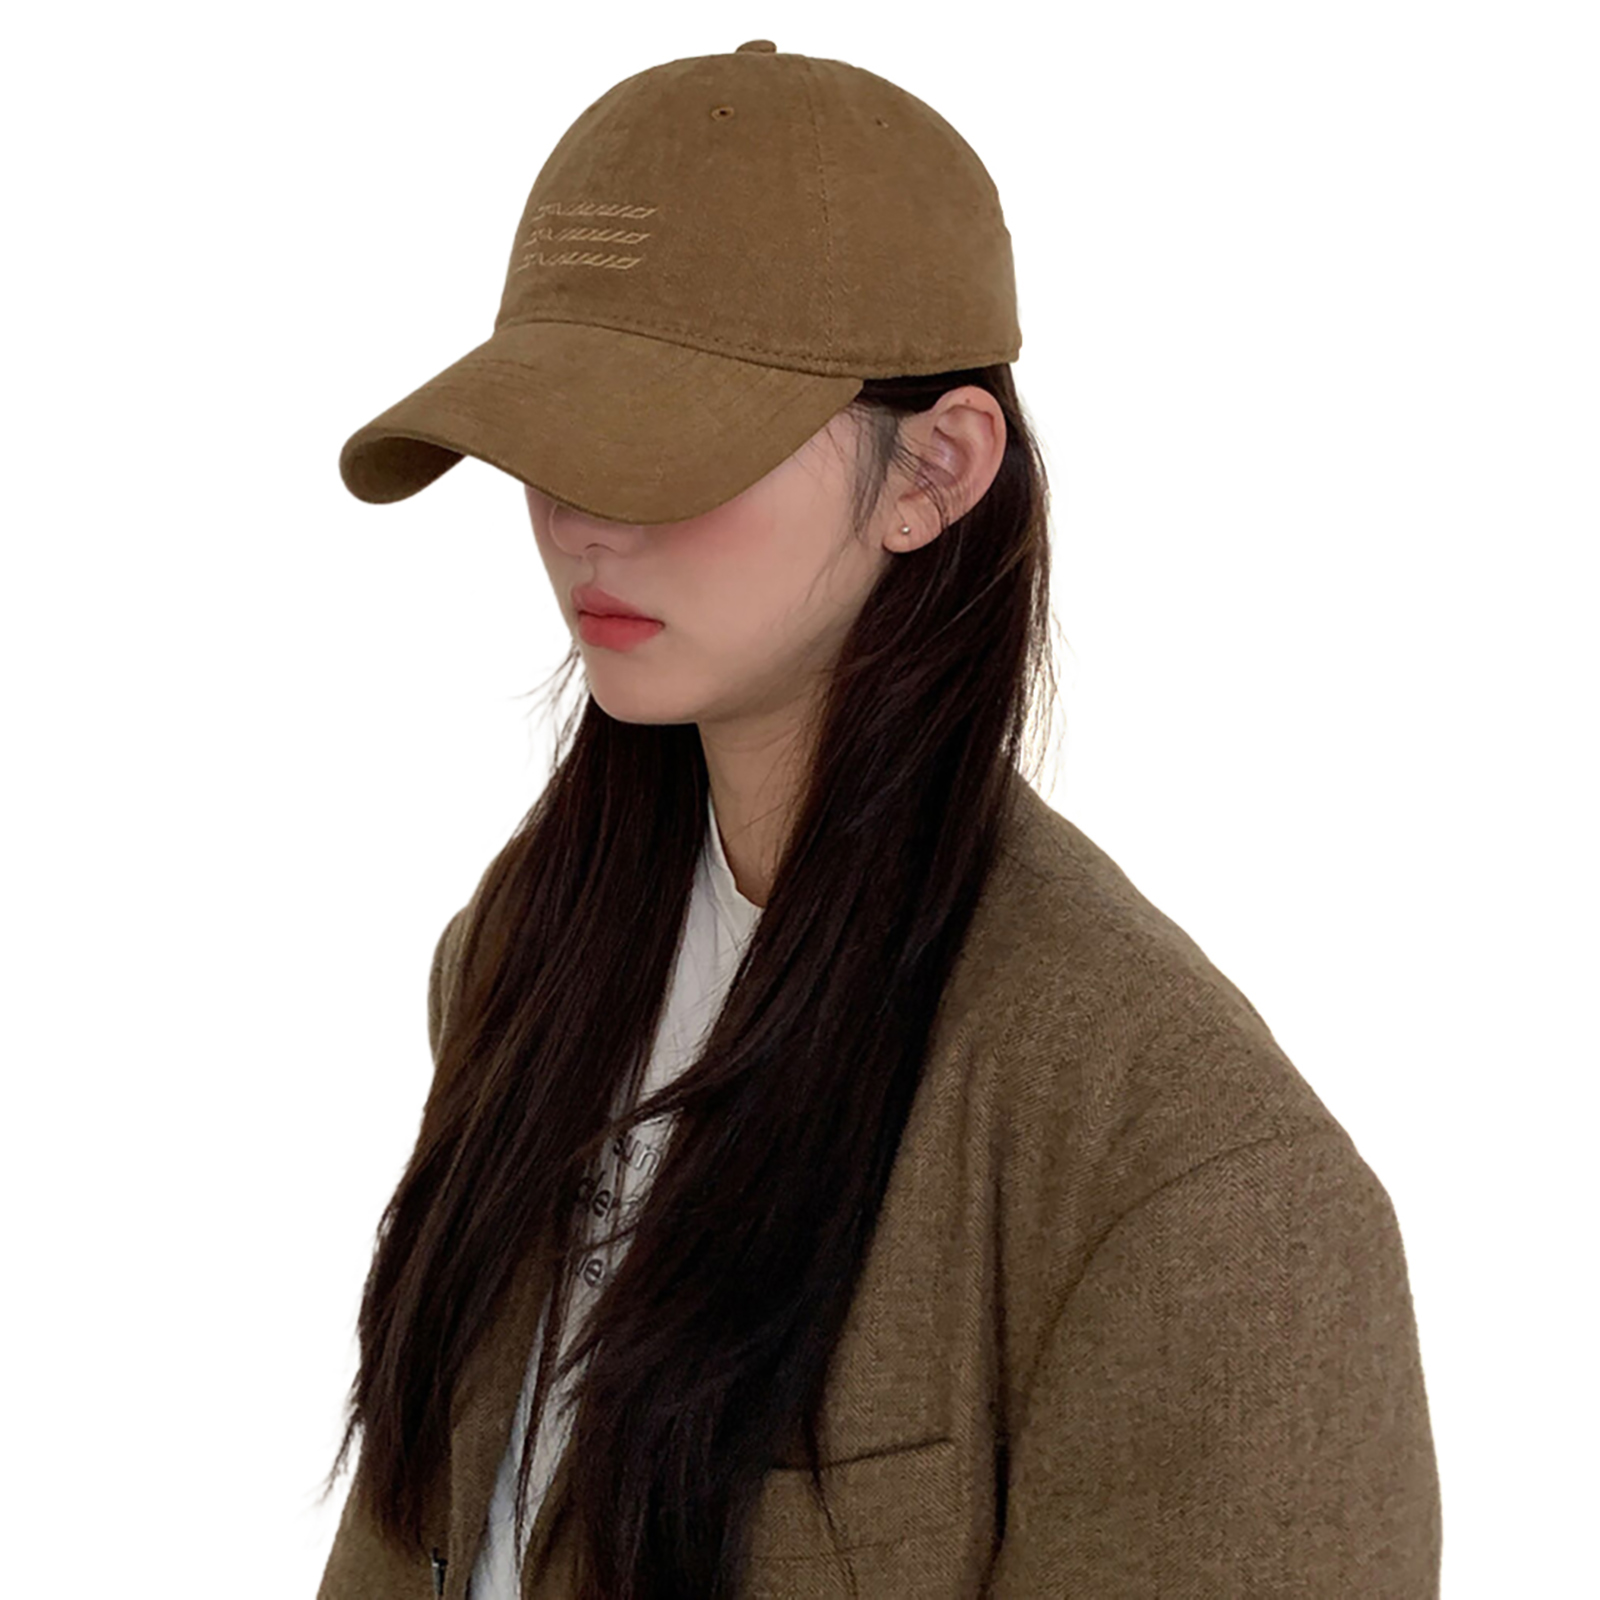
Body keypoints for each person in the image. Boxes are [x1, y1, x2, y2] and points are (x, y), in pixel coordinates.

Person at [315, 41, 1443, 1600]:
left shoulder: (1193, 1182)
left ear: (936, 468)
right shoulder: (521, 958)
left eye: (663, 440)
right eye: (550, 438)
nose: (581, 518)